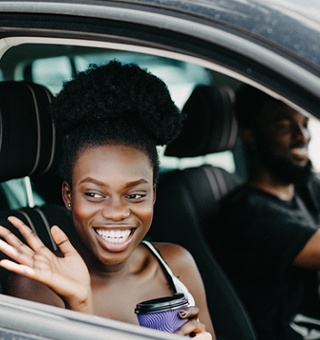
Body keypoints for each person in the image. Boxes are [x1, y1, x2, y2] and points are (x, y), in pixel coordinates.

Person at [0, 61, 214, 339]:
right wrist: (80, 304)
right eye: (94, 194)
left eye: (135, 195)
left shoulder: (176, 265)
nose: (116, 212)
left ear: (154, 195)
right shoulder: (38, 285)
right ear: (68, 195)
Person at [208, 84, 320, 340]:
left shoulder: (304, 186)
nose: (301, 136)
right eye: (283, 127)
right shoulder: (246, 215)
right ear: (250, 135)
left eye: (303, 123)